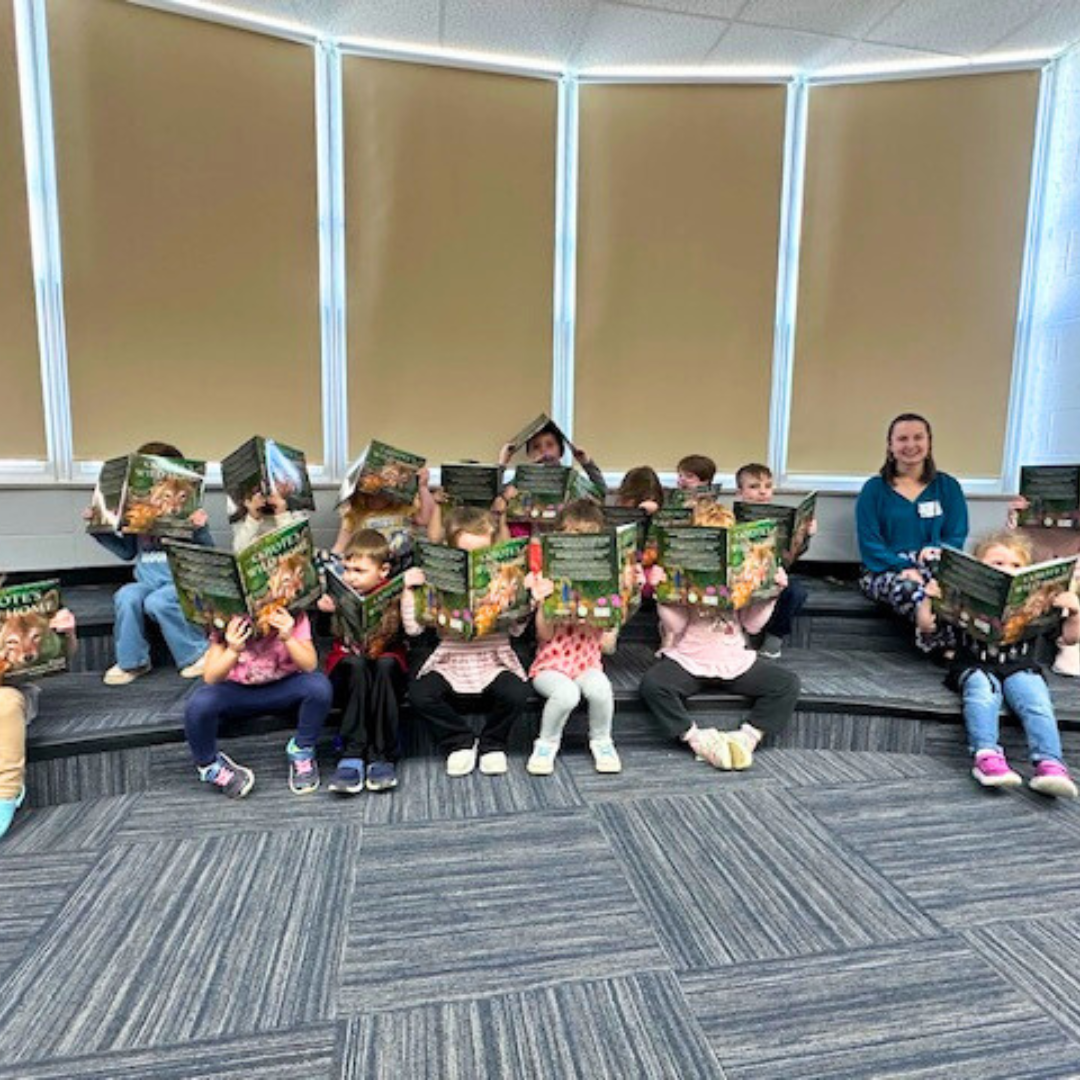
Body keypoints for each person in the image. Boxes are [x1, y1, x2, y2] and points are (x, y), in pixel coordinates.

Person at [639, 502, 801, 770]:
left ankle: (746, 739)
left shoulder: (742, 575)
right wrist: (661, 595)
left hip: (735, 659)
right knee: (653, 685)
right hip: (690, 659)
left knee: (786, 684)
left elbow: (752, 626)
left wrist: (771, 595)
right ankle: (697, 740)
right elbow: (677, 627)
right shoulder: (682, 573)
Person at [917, 531, 1078, 797]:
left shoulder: (1038, 603)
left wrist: (1074, 612)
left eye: (1016, 566)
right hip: (974, 664)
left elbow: (1070, 638)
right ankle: (987, 756)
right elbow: (927, 627)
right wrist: (928, 598)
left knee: (1036, 701)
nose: (1008, 569)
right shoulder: (963, 596)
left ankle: (1050, 763)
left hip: (1020, 666)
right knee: (981, 693)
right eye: (997, 564)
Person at [403, 507, 529, 777]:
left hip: (493, 658)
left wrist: (527, 601)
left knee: (517, 693)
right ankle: (459, 741)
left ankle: (493, 744)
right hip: (452, 659)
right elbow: (413, 630)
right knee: (420, 694)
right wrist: (409, 591)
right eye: (465, 553)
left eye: (481, 554)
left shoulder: (505, 577)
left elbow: (518, 631)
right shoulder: (435, 576)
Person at [85, 441, 211, 685]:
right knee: (126, 596)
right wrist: (99, 529)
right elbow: (126, 553)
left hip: (183, 583)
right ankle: (133, 661)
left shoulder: (189, 514)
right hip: (148, 582)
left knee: (159, 602)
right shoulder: (139, 515)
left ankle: (197, 652)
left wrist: (200, 530)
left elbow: (206, 555)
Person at [183, 606, 332, 798]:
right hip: (238, 692)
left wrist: (288, 637)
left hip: (284, 687)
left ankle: (302, 749)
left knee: (319, 686)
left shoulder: (292, 617)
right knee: (199, 704)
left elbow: (310, 664)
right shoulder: (227, 623)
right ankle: (209, 765)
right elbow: (211, 677)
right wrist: (233, 649)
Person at [856, 413, 968, 654]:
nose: (910, 445)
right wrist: (901, 566)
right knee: (910, 589)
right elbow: (870, 543)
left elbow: (957, 534)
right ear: (890, 445)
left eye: (918, 437)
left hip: (935, 566)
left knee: (950, 591)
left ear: (929, 442)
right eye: (902, 439)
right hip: (883, 569)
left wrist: (936, 548)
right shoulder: (874, 490)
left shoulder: (948, 487)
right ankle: (940, 645)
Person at [525, 500, 621, 776]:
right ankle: (546, 744)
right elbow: (543, 635)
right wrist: (544, 603)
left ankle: (602, 741)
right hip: (550, 663)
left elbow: (606, 645)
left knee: (601, 690)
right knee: (566, 694)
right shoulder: (546, 578)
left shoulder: (603, 582)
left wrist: (601, 614)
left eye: (587, 536)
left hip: (587, 662)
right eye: (571, 535)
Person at [318, 530, 407, 795]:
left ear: (383, 571)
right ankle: (352, 752)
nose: (351, 577)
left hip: (385, 667)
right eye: (347, 570)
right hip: (349, 668)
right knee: (355, 664)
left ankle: (382, 754)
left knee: (385, 664)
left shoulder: (394, 593)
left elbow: (406, 633)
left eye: (359, 571)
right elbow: (325, 636)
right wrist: (325, 613)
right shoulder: (339, 594)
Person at [0, 606, 77, 840]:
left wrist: (67, 634)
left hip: (8, 693)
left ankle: (6, 793)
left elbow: (60, 657)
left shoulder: (25, 605)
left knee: (9, 702)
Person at [734, 462, 812, 659]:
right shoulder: (730, 519)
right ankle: (739, 634)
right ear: (739, 492)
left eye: (767, 486)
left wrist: (805, 536)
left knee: (796, 592)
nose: (762, 492)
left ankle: (773, 638)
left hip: (773, 576)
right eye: (754, 487)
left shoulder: (781, 521)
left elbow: (789, 560)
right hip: (739, 578)